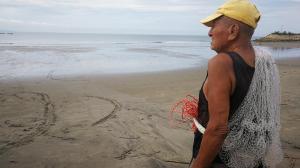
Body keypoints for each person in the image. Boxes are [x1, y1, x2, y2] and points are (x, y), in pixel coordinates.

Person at [191, 0, 282, 168]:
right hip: (253, 157)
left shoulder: (221, 63)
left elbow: (218, 128)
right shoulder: (265, 61)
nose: (210, 33)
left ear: (233, 31)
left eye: (214, 26)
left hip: (221, 158)